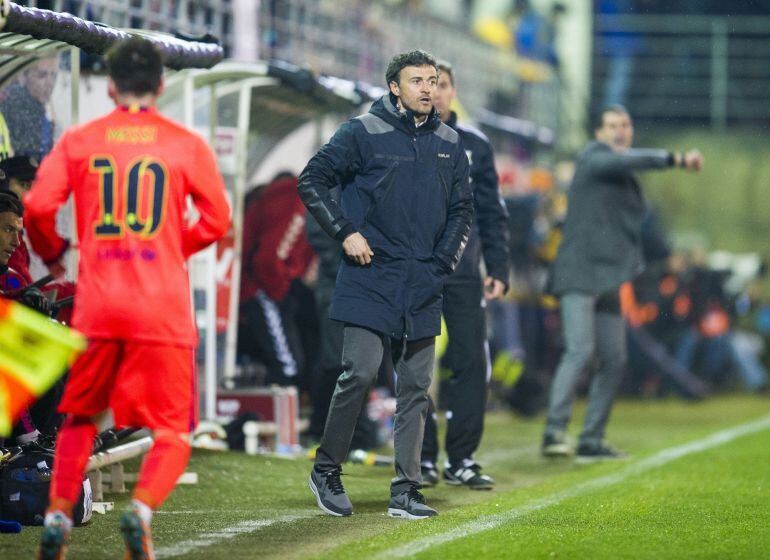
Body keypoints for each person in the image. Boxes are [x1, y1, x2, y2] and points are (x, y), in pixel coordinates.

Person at [25, 38, 230, 560]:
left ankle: (56, 515)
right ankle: (139, 511)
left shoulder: (81, 140)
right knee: (173, 430)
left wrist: (52, 256)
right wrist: (170, 247)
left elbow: (39, 207)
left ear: (111, 85)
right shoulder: (185, 144)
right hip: (160, 307)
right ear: (161, 85)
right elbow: (217, 220)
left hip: (98, 304)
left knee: (77, 418)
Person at [298, 50, 472, 519]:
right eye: (416, 80)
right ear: (394, 86)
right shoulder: (362, 131)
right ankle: (327, 469)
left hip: (422, 280)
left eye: (433, 81)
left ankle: (406, 490)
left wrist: (443, 263)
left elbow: (462, 210)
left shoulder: (451, 142)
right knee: (358, 372)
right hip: (369, 274)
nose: (427, 89)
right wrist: (344, 232)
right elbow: (312, 179)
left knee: (416, 388)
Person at [543, 105, 703, 461]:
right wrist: (675, 159)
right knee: (580, 350)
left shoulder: (623, 171)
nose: (619, 131)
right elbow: (621, 162)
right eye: (612, 125)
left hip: (609, 277)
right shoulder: (593, 157)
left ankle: (591, 438)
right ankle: (554, 430)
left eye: (625, 124)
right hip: (580, 273)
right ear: (598, 134)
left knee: (615, 358)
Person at [420, 61, 510, 489]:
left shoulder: (476, 144)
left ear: (454, 91)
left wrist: (499, 266)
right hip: (415, 270)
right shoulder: (401, 138)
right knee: (414, 363)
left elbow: (492, 212)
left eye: (443, 84)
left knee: (472, 361)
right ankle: (420, 457)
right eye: (428, 83)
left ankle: (461, 458)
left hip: (463, 271)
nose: (436, 92)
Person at [239, 172, 316, 387]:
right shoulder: (297, 198)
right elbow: (271, 257)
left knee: (290, 364)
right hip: (263, 290)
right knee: (288, 367)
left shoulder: (298, 197)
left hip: (269, 288)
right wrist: (281, 289)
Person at [0, 57, 57, 160]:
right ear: (23, 77)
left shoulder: (39, 109)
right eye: (42, 75)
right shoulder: (17, 108)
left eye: (54, 76)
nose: (50, 83)